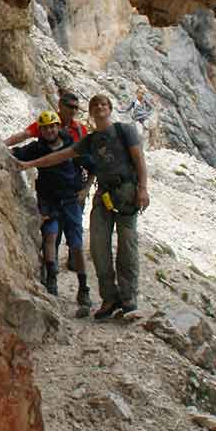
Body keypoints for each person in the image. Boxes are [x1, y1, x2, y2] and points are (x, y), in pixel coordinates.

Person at [17, 93, 148, 320]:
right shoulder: (90, 140)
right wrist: (29, 164)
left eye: (103, 104)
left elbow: (139, 160)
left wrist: (143, 189)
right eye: (95, 105)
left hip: (126, 192)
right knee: (98, 248)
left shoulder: (125, 130)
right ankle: (109, 298)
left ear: (110, 108)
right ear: (90, 111)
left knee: (127, 246)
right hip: (103, 195)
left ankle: (128, 299)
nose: (99, 107)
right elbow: (59, 156)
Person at [9, 110, 94, 314]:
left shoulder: (71, 145)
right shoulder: (36, 148)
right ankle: (52, 279)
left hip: (71, 200)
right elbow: (14, 154)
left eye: (52, 126)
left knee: (75, 244)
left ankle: (83, 288)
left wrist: (85, 190)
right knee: (50, 235)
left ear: (58, 127)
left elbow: (92, 167)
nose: (49, 130)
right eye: (45, 127)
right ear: (41, 129)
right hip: (49, 201)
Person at [4, 89, 88, 147]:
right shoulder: (48, 121)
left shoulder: (80, 129)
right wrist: (3, 145)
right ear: (60, 105)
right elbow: (25, 134)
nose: (73, 110)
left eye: (76, 108)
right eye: (70, 106)